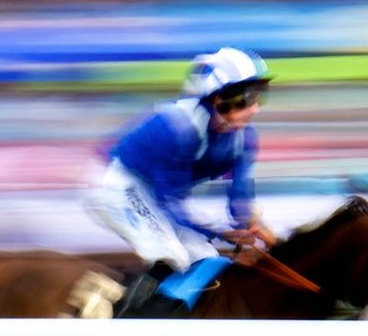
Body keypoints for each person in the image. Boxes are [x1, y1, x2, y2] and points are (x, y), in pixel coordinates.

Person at [82, 47, 276, 317]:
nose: (254, 108)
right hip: (116, 185)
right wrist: (223, 231)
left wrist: (254, 225)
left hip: (154, 194)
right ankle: (112, 328)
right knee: (171, 255)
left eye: (259, 97)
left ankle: (158, 319)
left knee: (206, 261)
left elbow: (240, 197)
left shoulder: (245, 138)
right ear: (218, 98)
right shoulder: (179, 130)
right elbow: (172, 204)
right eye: (246, 98)